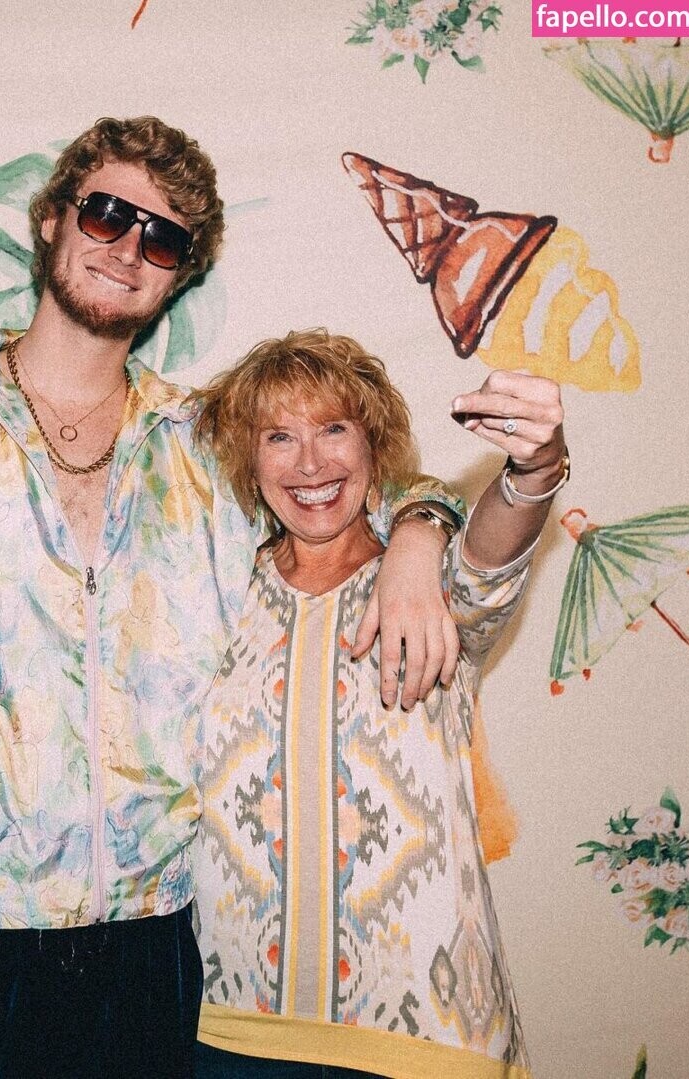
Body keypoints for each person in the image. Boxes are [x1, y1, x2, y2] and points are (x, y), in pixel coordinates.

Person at [0, 116, 465, 1078]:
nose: (130, 247)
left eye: (163, 237)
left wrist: (421, 531)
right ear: (52, 219)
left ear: (178, 273)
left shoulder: (206, 444)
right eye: (106, 214)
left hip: (139, 943)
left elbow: (358, 486)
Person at [186, 331, 567, 1078]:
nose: (310, 463)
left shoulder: (432, 585)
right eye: (279, 436)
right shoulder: (216, 590)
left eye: (334, 428)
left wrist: (536, 468)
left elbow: (495, 550)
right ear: (248, 459)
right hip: (233, 1030)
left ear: (373, 444)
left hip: (426, 1037)